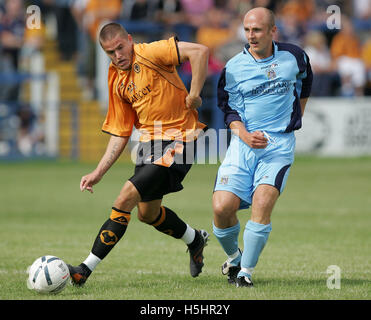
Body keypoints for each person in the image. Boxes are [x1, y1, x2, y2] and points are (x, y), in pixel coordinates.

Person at [67, 22, 210, 286]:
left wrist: (195, 94)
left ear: (130, 40)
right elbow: (120, 132)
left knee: (125, 197)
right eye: (110, 52)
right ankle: (195, 239)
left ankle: (83, 270)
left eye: (120, 47)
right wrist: (98, 172)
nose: (117, 55)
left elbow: (200, 52)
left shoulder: (152, 53)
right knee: (147, 214)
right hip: (150, 145)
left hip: (181, 137)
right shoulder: (116, 79)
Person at [212, 7, 313, 287]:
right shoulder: (233, 67)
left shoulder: (294, 57)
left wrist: (296, 116)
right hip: (242, 145)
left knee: (262, 202)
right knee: (221, 208)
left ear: (272, 31)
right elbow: (229, 109)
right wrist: (242, 134)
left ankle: (245, 274)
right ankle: (234, 257)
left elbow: (306, 83)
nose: (251, 36)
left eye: (257, 30)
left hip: (278, 146)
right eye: (247, 30)